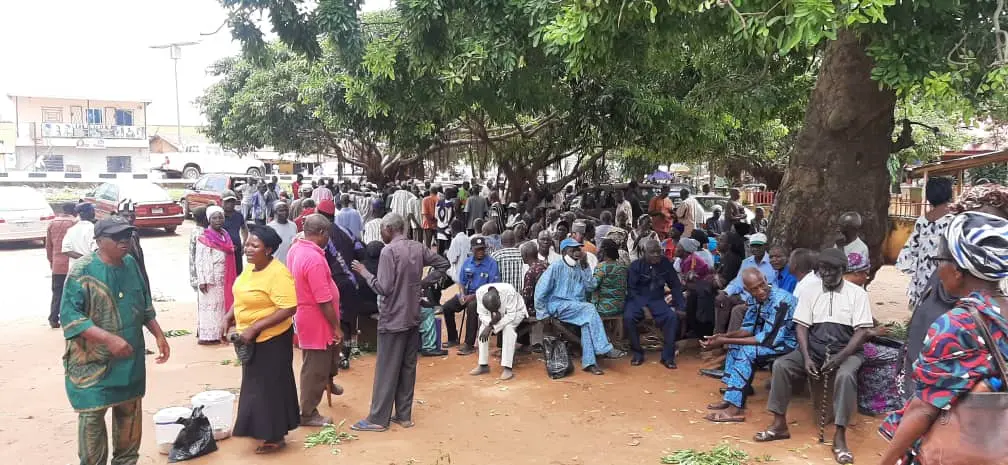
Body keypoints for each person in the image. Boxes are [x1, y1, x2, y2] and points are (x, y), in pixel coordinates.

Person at [878, 211, 1008, 465]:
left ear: (958, 270)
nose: (938, 268)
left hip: (963, 450)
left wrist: (886, 461)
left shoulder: (957, 325)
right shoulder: (999, 313)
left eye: (940, 259)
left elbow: (924, 409)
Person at [62, 216, 170, 465]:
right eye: (117, 237)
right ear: (99, 241)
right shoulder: (81, 271)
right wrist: (107, 338)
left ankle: (126, 462)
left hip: (129, 358)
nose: (124, 241)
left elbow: (143, 303)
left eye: (127, 236)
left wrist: (158, 334)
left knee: (129, 413)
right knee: (92, 418)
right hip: (92, 363)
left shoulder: (131, 263)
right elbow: (70, 317)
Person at [755, 248, 874, 465]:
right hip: (816, 350)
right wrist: (807, 357)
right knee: (782, 365)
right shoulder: (811, 291)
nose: (826, 275)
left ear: (843, 270)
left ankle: (839, 437)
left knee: (845, 376)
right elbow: (801, 326)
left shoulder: (858, 294)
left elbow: (862, 332)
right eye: (823, 270)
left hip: (847, 351)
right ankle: (779, 424)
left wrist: (840, 357)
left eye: (832, 270)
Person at [349, 213, 450, 432]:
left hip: (392, 318)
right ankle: (404, 415)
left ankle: (377, 419)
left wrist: (365, 273)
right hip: (412, 316)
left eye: (383, 230)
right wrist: (423, 283)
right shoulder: (417, 247)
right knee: (407, 367)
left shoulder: (388, 251)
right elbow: (443, 263)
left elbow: (383, 288)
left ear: (388, 228)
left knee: (386, 369)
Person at [223, 225, 300, 454]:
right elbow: (241, 295)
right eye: (247, 244)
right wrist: (229, 317)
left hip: (272, 339)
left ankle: (275, 435)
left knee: (271, 387)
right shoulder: (250, 269)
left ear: (268, 250)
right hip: (250, 338)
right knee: (255, 386)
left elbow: (288, 307)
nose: (247, 249)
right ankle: (260, 428)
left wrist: (255, 327)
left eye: (254, 246)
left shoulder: (278, 273)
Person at [701, 269, 798, 423]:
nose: (760, 291)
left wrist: (725, 341)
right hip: (768, 339)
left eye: (762, 285)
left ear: (766, 279)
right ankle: (732, 398)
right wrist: (722, 337)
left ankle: (735, 409)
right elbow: (747, 330)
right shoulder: (754, 299)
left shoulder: (782, 301)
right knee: (735, 347)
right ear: (747, 290)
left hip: (786, 343)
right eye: (754, 289)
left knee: (747, 351)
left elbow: (766, 339)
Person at [534, 238, 626, 375]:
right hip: (558, 305)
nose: (577, 252)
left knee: (587, 323)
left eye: (578, 249)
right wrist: (542, 313)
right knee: (589, 309)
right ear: (565, 251)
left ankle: (589, 363)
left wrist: (585, 267)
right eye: (573, 249)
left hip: (577, 307)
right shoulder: (556, 266)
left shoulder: (579, 266)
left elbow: (590, 286)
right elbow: (540, 290)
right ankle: (604, 348)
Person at [288, 215, 345, 427]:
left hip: (311, 315)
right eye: (327, 234)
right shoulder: (313, 259)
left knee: (327, 356)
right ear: (321, 233)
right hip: (316, 318)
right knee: (314, 366)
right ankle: (308, 412)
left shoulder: (297, 248)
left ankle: (327, 381)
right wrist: (336, 327)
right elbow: (323, 299)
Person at [625, 239, 685, 368]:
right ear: (644, 252)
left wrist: (680, 306)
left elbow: (675, 285)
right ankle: (638, 353)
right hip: (637, 300)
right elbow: (632, 291)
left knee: (671, 317)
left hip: (657, 300)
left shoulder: (665, 264)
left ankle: (668, 357)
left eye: (659, 251)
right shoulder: (635, 266)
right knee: (629, 317)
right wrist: (644, 308)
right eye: (652, 252)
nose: (657, 255)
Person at [896, 176, 954, 309]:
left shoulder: (922, 220)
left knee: (924, 311)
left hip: (923, 276)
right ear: (949, 194)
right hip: (945, 276)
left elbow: (912, 250)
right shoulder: (954, 220)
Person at [443, 236, 500, 355]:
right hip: (467, 294)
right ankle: (453, 338)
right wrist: (463, 294)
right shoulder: (467, 262)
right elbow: (461, 282)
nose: (480, 252)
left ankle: (469, 344)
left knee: (472, 307)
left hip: (484, 297)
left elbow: (492, 287)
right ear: (472, 250)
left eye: (482, 249)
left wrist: (473, 296)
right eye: (477, 249)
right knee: (447, 307)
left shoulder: (491, 263)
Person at [195, 206, 238, 345]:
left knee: (221, 306)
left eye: (220, 217)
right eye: (214, 218)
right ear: (209, 220)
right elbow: (201, 261)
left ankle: (220, 333)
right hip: (211, 278)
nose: (218, 220)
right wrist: (204, 280)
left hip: (224, 277)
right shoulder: (204, 237)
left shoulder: (224, 234)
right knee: (210, 308)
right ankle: (208, 336)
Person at [469, 284, 529, 381]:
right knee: (482, 330)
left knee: (508, 328)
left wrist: (492, 326)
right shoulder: (480, 292)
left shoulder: (509, 291)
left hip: (516, 311)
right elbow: (482, 314)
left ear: (499, 298)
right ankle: (483, 365)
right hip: (495, 316)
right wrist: (489, 324)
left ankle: (507, 367)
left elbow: (510, 316)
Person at [45, 202, 76, 328]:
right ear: (74, 211)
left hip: (57, 264)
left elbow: (48, 246)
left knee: (57, 292)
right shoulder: (74, 223)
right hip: (71, 263)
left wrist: (51, 261)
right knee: (72, 293)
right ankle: (68, 319)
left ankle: (53, 318)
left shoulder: (52, 223)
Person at [115, 200, 150, 297]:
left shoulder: (134, 234)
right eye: (125, 216)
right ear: (118, 215)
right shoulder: (112, 235)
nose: (130, 218)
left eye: (132, 215)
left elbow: (138, 262)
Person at [591, 239, 628, 318]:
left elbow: (593, 286)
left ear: (603, 251)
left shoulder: (602, 267)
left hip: (605, 309)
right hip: (621, 307)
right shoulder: (623, 267)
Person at [62, 203, 97, 276]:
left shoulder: (71, 230)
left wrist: (81, 259)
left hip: (74, 271)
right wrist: (86, 260)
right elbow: (96, 251)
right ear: (91, 213)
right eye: (93, 211)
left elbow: (66, 250)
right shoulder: (94, 229)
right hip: (90, 271)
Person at [221, 190, 249, 275]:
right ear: (222, 201)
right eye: (227, 201)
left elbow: (244, 229)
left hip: (237, 249)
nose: (230, 204)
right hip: (222, 251)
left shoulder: (238, 215)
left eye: (232, 201)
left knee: (237, 272)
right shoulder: (218, 216)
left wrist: (244, 244)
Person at [188, 206, 209, 296]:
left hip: (194, 272)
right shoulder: (202, 234)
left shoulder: (195, 231)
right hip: (200, 275)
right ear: (205, 218)